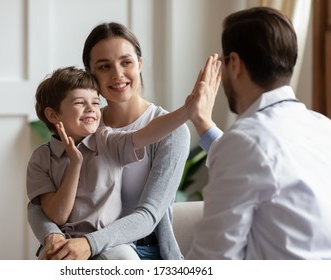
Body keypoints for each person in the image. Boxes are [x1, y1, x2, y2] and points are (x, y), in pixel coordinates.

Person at [28, 22, 220, 260]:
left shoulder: (171, 131)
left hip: (144, 251)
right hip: (80, 247)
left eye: (126, 62)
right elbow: (39, 203)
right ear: (91, 75)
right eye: (104, 66)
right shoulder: (83, 125)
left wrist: (89, 244)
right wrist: (52, 237)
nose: (117, 74)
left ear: (139, 65)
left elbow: (149, 214)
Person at [186, 6, 331, 259]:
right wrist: (203, 122)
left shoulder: (245, 141)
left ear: (235, 64)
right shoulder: (322, 126)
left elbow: (214, 261)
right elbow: (262, 164)